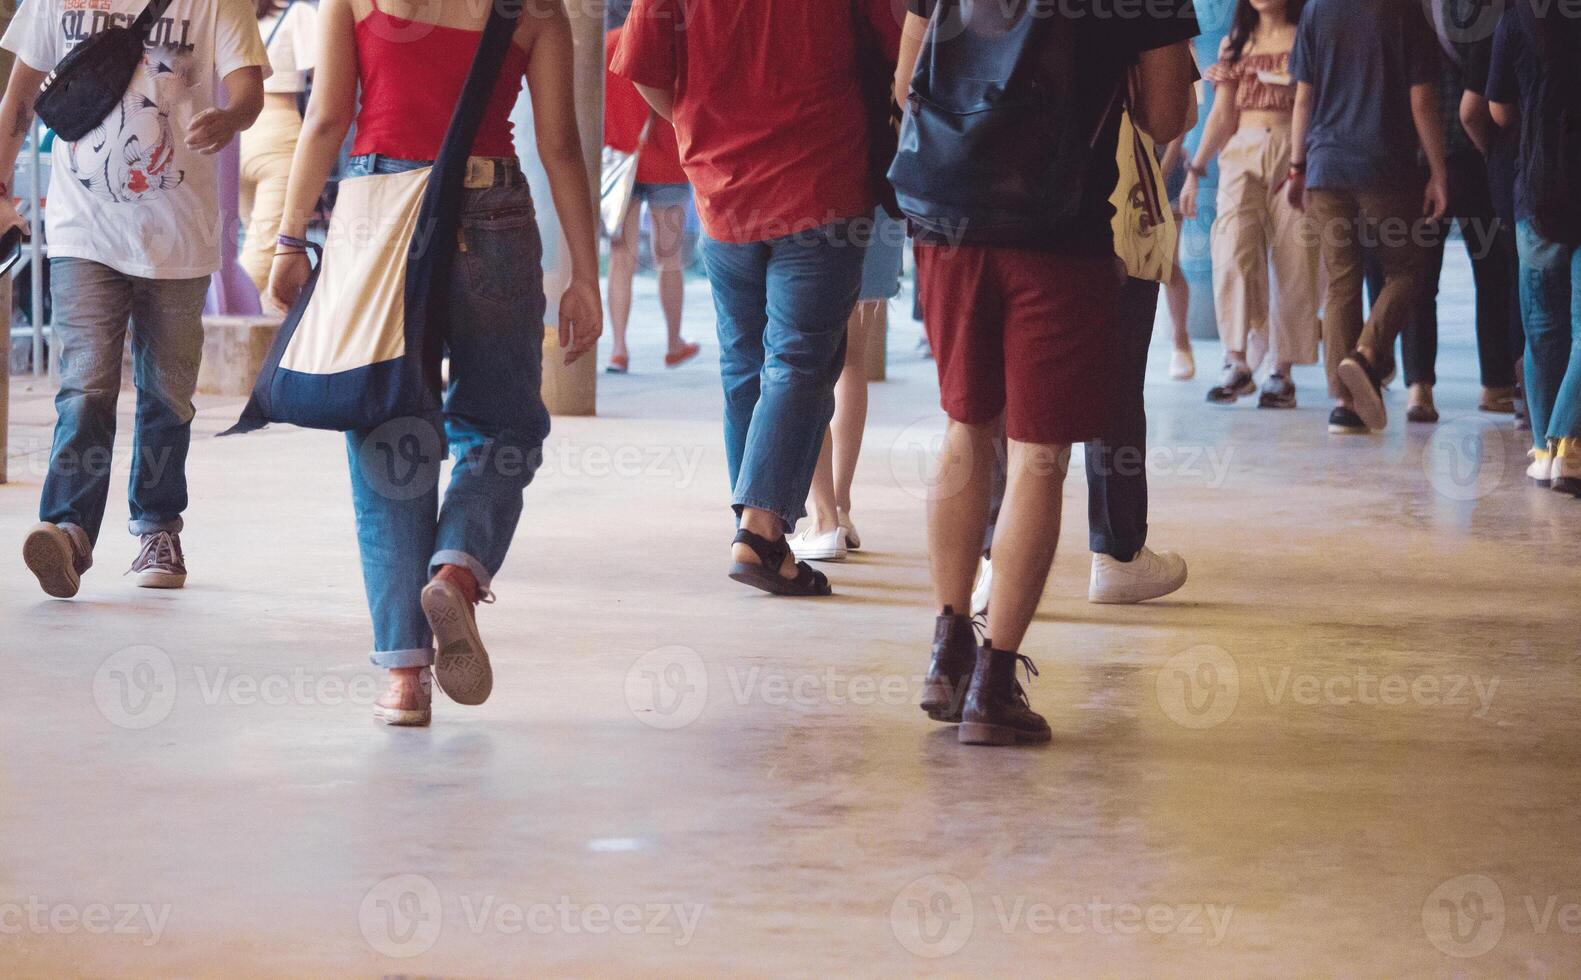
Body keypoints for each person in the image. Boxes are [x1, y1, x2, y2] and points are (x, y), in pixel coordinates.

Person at [267, 0, 602, 726]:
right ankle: (457, 565)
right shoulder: (539, 10)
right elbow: (562, 148)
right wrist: (586, 274)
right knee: (503, 425)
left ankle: (404, 679)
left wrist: (289, 240)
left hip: (378, 212)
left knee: (386, 426)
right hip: (493, 212)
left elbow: (327, 117)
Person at [899, 0, 1198, 746]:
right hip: (1058, 226)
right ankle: (993, 686)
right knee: (1039, 457)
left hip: (948, 213)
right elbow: (1167, 113)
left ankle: (947, 650)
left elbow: (906, 78)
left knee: (966, 427)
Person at [614, 0, 900, 597]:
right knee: (798, 360)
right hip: (822, 183)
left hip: (722, 191)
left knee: (744, 364)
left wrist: (701, 134)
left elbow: (641, 64)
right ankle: (761, 533)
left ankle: (752, 526)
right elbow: (900, 54)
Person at [2, 0, 267, 599]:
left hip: (180, 235)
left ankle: (157, 527)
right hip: (82, 230)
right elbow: (18, 100)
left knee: (167, 395)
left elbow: (248, 86)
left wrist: (230, 119)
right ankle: (68, 528)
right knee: (87, 385)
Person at [1287, 0, 1449, 435]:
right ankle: (1366, 352)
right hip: (1385, 168)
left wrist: (1296, 167)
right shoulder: (1404, 11)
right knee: (1409, 269)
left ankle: (1344, 405)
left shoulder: (1316, 9)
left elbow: (1303, 96)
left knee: (1341, 281)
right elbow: (1423, 100)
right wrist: (1438, 171)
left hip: (1324, 166)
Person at [1182, 0, 1321, 409]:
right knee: (1233, 251)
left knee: (1296, 258)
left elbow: (1312, 102)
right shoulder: (1236, 42)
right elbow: (1222, 113)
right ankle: (1237, 359)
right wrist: (1196, 168)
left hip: (1294, 152)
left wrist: (1303, 163)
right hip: (1241, 152)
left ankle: (1282, 368)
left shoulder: (1306, 37)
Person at [1486, 0, 1581, 495]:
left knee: (1542, 331)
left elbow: (1497, 108)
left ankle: (1546, 451)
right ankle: (1567, 446)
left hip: (1541, 185)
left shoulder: (1519, 14)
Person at [789, 208, 905, 562]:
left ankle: (824, 519)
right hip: (880, 214)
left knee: (809, 361)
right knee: (852, 361)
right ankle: (840, 506)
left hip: (823, 206)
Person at [602, 20, 698, 375]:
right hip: (667, 163)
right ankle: (673, 343)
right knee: (668, 259)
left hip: (618, 164)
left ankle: (618, 349)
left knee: (619, 258)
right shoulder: (673, 48)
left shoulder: (606, 47)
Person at [241, 0, 317, 295]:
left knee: (256, 244)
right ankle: (217, 329)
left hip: (236, 138)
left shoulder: (239, 14)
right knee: (265, 250)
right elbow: (326, 79)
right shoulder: (298, 13)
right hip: (278, 135)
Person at [1160, 135, 1197, 383]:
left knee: (1167, 261)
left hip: (1165, 166)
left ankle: (1180, 339)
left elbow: (1181, 120)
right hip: (1120, 162)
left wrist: (1164, 168)